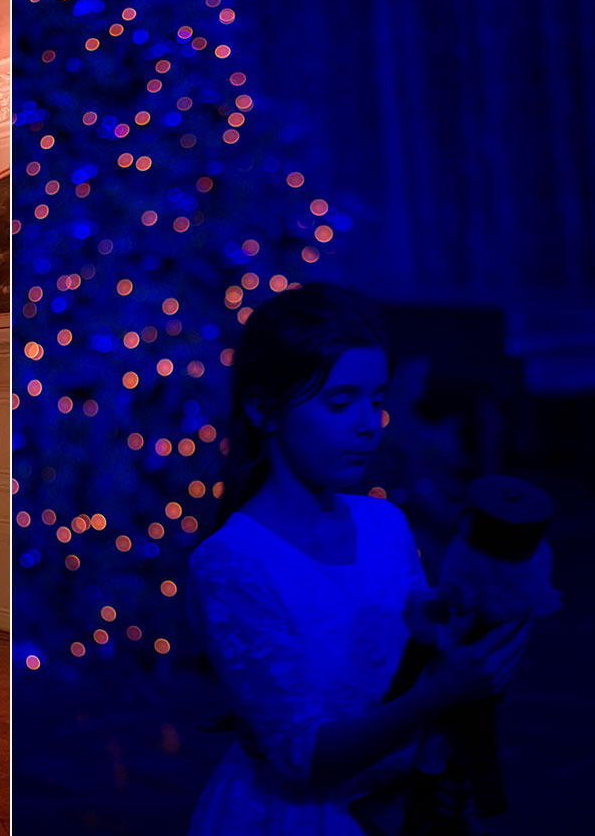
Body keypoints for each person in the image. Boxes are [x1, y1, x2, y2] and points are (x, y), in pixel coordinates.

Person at [187, 283, 531, 834]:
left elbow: (416, 664)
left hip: (394, 806)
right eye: (340, 402)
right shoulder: (233, 561)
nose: (368, 424)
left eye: (377, 399)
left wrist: (438, 763)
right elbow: (302, 755)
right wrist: (439, 692)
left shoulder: (383, 524)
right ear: (263, 409)